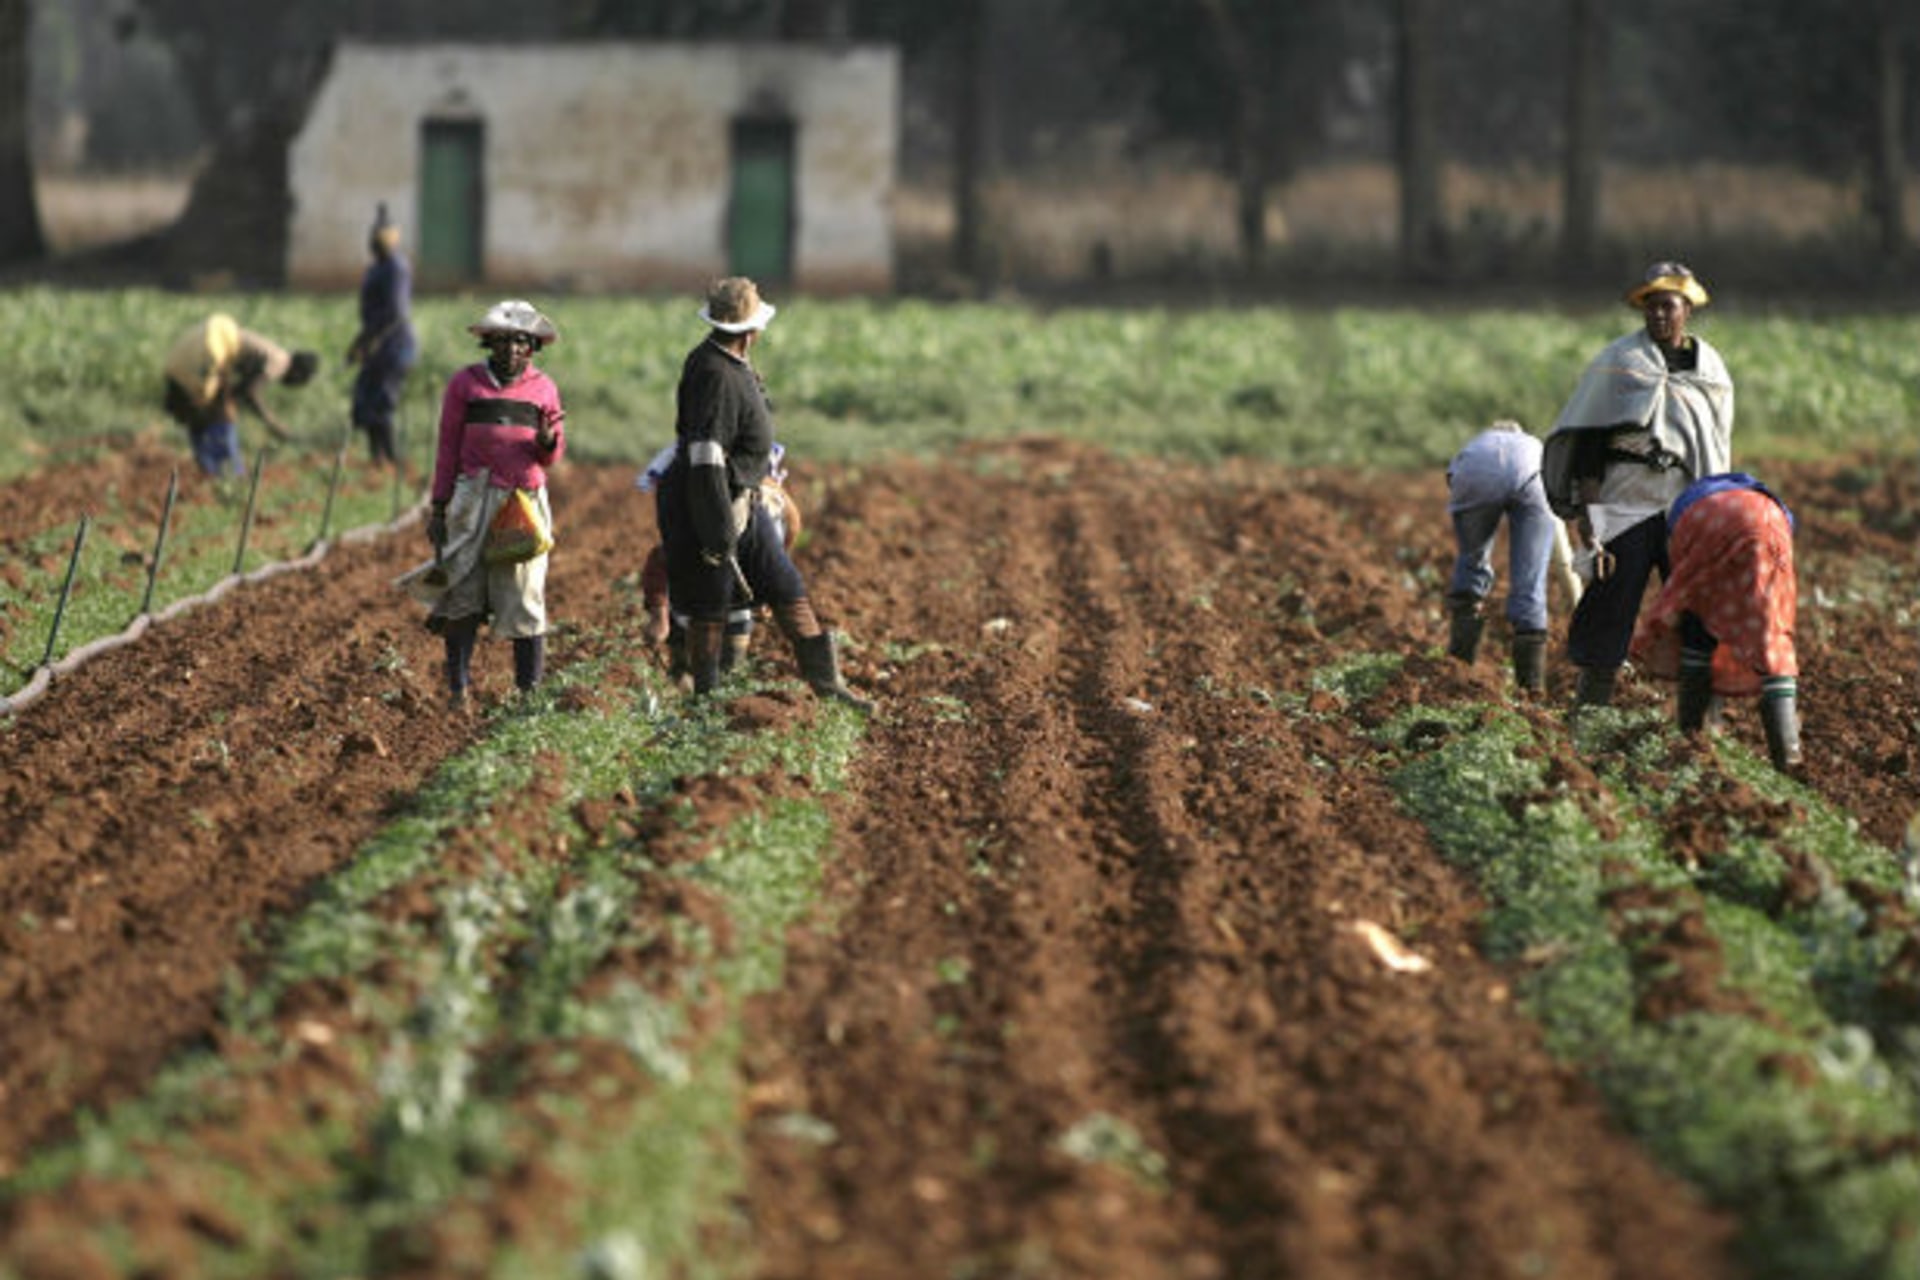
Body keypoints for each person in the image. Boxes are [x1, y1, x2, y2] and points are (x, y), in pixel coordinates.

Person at [654, 276, 869, 710]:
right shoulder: (714, 372)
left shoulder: (732, 364)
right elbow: (706, 454)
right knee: (710, 605)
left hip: (743, 499)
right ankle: (706, 702)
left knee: (786, 585)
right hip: (711, 501)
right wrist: (715, 528)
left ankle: (829, 686)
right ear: (751, 330)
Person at [1541, 260, 1734, 711]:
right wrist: (1591, 518)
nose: (1659, 315)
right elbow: (1589, 441)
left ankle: (1702, 726)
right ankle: (1590, 714)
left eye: (1668, 306)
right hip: (1624, 504)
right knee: (1609, 607)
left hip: (1685, 510)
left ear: (1687, 309)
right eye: (1651, 306)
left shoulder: (1710, 372)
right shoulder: (1619, 363)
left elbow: (1715, 445)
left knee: (1698, 612)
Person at [400, 299, 565, 708]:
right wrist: (438, 507)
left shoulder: (543, 388)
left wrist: (548, 443)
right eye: (504, 342)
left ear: (532, 348)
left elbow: (551, 454)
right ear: (489, 343)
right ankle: (459, 689)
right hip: (471, 497)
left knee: (524, 593)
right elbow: (447, 448)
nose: (512, 350)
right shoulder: (466, 385)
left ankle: (529, 693)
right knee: (462, 594)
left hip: (522, 500)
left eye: (521, 343)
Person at [1630, 473, 1800, 771]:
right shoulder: (1760, 495)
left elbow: (1687, 590)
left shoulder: (1687, 507)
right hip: (1773, 524)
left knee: (1698, 617)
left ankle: (1691, 738)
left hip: (1706, 526)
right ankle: (1789, 756)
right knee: (1771, 632)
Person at [637, 439, 801, 681]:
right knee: (685, 668)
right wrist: (659, 617)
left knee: (728, 670)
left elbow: (782, 549)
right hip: (688, 607)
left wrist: (768, 596)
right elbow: (659, 562)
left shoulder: (769, 520)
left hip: (734, 607)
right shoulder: (693, 524)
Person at [1443, 419, 1554, 693]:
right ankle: (1531, 687)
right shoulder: (1532, 443)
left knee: (1472, 559)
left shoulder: (1477, 444)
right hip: (1533, 480)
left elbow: (1452, 479)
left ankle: (1459, 665)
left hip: (1476, 475)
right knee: (1530, 579)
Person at [161, 313, 319, 477]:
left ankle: (208, 469)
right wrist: (273, 424)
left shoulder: (269, 351)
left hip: (192, 347)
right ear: (298, 374)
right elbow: (250, 392)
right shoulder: (279, 361)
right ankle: (230, 474)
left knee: (201, 415)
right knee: (224, 416)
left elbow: (240, 388)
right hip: (212, 349)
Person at [344, 203, 417, 467]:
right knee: (364, 399)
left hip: (393, 346)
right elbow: (371, 316)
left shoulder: (397, 268)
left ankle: (391, 458)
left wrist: (371, 340)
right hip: (376, 345)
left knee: (382, 400)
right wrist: (358, 344)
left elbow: (394, 312)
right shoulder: (375, 268)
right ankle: (377, 457)